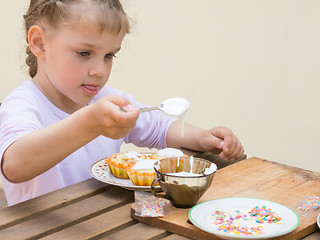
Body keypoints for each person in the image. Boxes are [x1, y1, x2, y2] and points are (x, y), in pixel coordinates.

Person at [0, 0, 244, 206]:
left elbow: (159, 128)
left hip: (102, 223)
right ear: (40, 43)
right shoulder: (22, 104)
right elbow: (15, 166)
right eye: (84, 53)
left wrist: (204, 139)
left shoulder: (104, 98)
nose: (99, 70)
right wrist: (89, 123)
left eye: (109, 56)